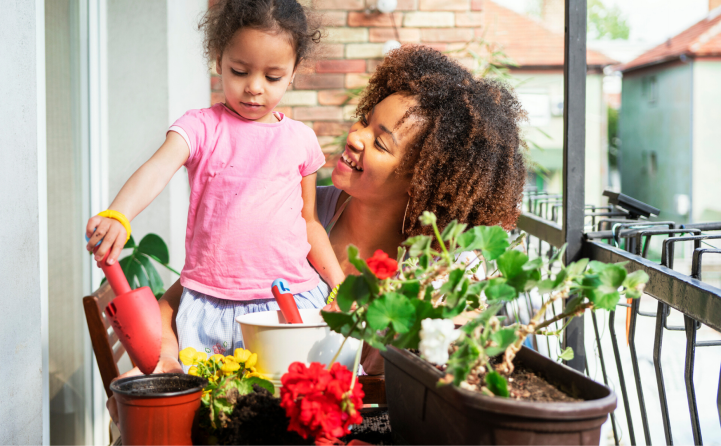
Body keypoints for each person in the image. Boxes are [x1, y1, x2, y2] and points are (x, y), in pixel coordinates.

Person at [108, 44, 528, 422]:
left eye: (381, 143)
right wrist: (163, 357)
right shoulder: (295, 209)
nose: (356, 137)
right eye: (364, 121)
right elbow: (195, 289)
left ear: (425, 180)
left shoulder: (435, 271)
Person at [86, 0, 345, 358]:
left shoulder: (301, 140)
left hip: (290, 300)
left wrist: (339, 284)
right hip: (213, 306)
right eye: (239, 71)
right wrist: (120, 212)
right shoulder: (201, 127)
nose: (255, 87)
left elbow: (309, 222)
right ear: (219, 58)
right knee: (218, 409)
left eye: (273, 77)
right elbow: (158, 168)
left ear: (294, 69)